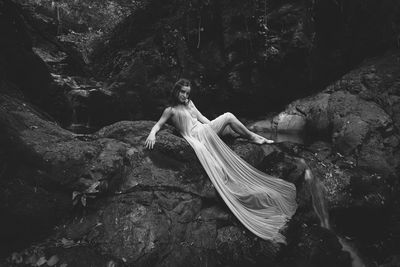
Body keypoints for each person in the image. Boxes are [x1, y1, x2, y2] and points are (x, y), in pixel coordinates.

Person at [145, 78, 297, 243]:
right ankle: (252, 136)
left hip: (205, 131)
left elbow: (202, 118)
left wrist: (215, 129)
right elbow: (158, 125)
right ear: (176, 91)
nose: (185, 95)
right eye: (182, 92)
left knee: (227, 118)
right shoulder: (171, 110)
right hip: (196, 139)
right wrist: (152, 134)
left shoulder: (190, 103)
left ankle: (252, 136)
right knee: (228, 118)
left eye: (187, 93)